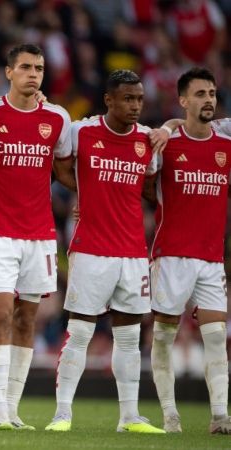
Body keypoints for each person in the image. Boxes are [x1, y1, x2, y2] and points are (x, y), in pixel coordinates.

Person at [0, 43, 72, 430]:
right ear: (9, 72)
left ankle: (14, 408)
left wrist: (87, 199)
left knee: (27, 320)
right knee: (2, 314)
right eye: (25, 67)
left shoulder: (58, 118)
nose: (33, 73)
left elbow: (66, 168)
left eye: (38, 67)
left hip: (40, 235)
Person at [45, 70, 165, 434]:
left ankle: (129, 416)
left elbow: (148, 188)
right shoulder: (82, 131)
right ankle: (62, 413)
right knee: (80, 332)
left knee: (129, 338)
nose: (135, 106)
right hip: (91, 248)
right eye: (128, 99)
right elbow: (59, 164)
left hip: (132, 251)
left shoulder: (148, 140)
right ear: (109, 100)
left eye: (140, 100)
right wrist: (85, 192)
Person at [147, 67, 231, 434]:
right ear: (183, 101)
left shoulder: (226, 141)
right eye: (200, 94)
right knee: (164, 335)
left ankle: (219, 416)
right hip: (171, 255)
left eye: (211, 93)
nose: (208, 99)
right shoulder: (167, 144)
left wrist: (167, 124)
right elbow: (143, 186)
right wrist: (167, 128)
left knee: (216, 337)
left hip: (212, 258)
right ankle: (170, 414)